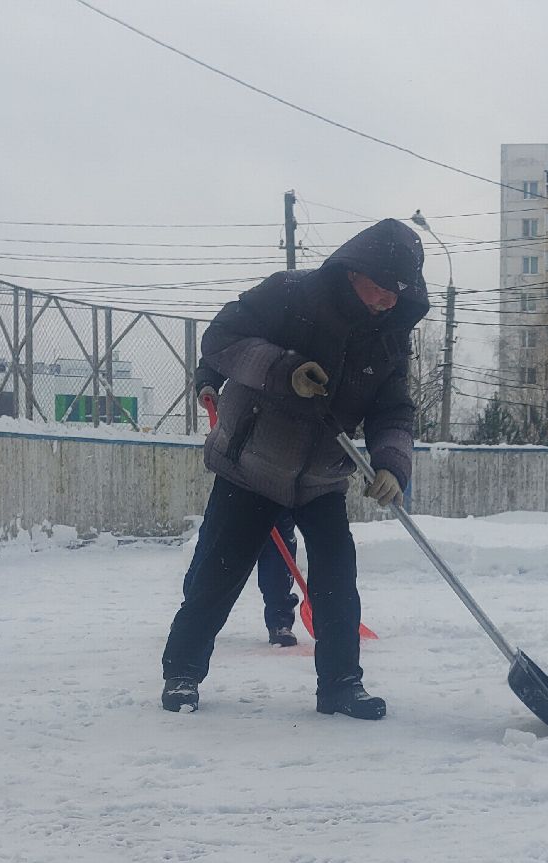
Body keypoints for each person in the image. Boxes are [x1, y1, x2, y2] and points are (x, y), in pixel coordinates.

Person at [161, 218, 426, 719]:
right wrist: (285, 370)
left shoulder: (390, 336)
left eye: (403, 292)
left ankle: (342, 686)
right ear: (355, 271)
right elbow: (220, 340)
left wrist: (392, 463)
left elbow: (394, 410)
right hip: (252, 466)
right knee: (218, 575)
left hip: (323, 477)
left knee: (336, 581)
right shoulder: (291, 294)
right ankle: (181, 673)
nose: (392, 301)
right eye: (386, 288)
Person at [197, 378, 302, 648]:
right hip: (236, 473)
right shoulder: (246, 348)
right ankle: (194, 616)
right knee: (214, 546)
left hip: (280, 470)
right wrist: (206, 381)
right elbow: (219, 348)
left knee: (279, 552)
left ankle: (280, 620)